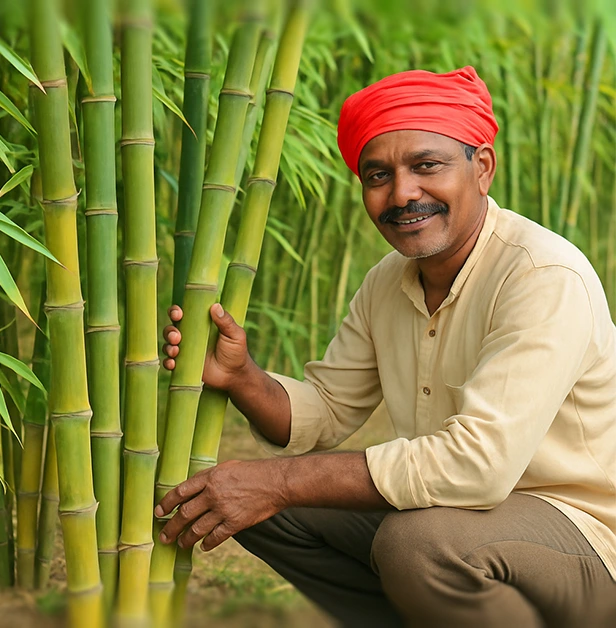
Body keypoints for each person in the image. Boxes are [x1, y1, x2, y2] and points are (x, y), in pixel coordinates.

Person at [157, 66, 616, 626]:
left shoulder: (542, 275)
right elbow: (327, 410)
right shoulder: (388, 281)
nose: (402, 194)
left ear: (482, 168)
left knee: (417, 542)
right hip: (464, 518)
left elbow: (478, 467)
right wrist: (240, 376)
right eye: (378, 175)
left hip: (586, 537)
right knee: (252, 507)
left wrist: (277, 482)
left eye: (427, 166)